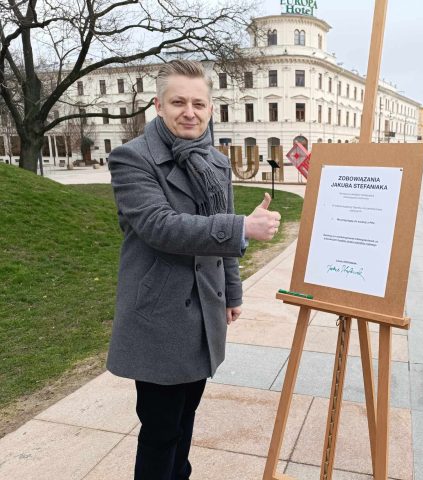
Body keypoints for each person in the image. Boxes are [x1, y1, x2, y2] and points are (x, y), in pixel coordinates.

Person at [106, 60, 281, 480]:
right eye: (179, 102)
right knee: (161, 429)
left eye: (199, 103)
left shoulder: (214, 162)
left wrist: (232, 294)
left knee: (186, 418)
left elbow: (224, 248)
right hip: (159, 315)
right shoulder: (132, 159)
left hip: (204, 311)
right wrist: (241, 227)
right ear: (159, 106)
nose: (190, 111)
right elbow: (160, 226)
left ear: (210, 109)